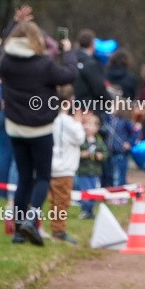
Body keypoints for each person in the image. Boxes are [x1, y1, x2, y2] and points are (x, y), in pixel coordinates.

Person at [0, 21, 77, 245]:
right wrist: (68, 53)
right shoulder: (44, 64)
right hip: (41, 128)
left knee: (24, 177)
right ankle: (31, 219)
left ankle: (17, 231)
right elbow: (69, 75)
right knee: (42, 176)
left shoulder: (6, 63)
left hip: (15, 127)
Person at [48, 86, 85, 244]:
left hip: (50, 165)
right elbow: (80, 138)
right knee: (62, 202)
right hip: (64, 168)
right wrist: (79, 122)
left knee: (53, 201)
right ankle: (58, 231)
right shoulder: (68, 121)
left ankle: (51, 228)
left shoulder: (49, 117)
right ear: (70, 101)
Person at [75, 113, 108, 219]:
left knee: (94, 191)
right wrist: (82, 154)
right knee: (85, 191)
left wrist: (101, 156)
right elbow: (75, 154)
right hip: (83, 172)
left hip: (95, 172)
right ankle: (85, 210)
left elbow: (106, 153)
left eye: (90, 124)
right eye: (85, 124)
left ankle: (91, 211)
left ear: (96, 127)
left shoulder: (99, 141)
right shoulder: (81, 140)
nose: (87, 127)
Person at [73, 29, 107, 105]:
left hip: (70, 105)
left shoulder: (70, 60)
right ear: (93, 44)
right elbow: (98, 89)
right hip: (88, 106)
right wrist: (109, 100)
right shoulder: (91, 64)